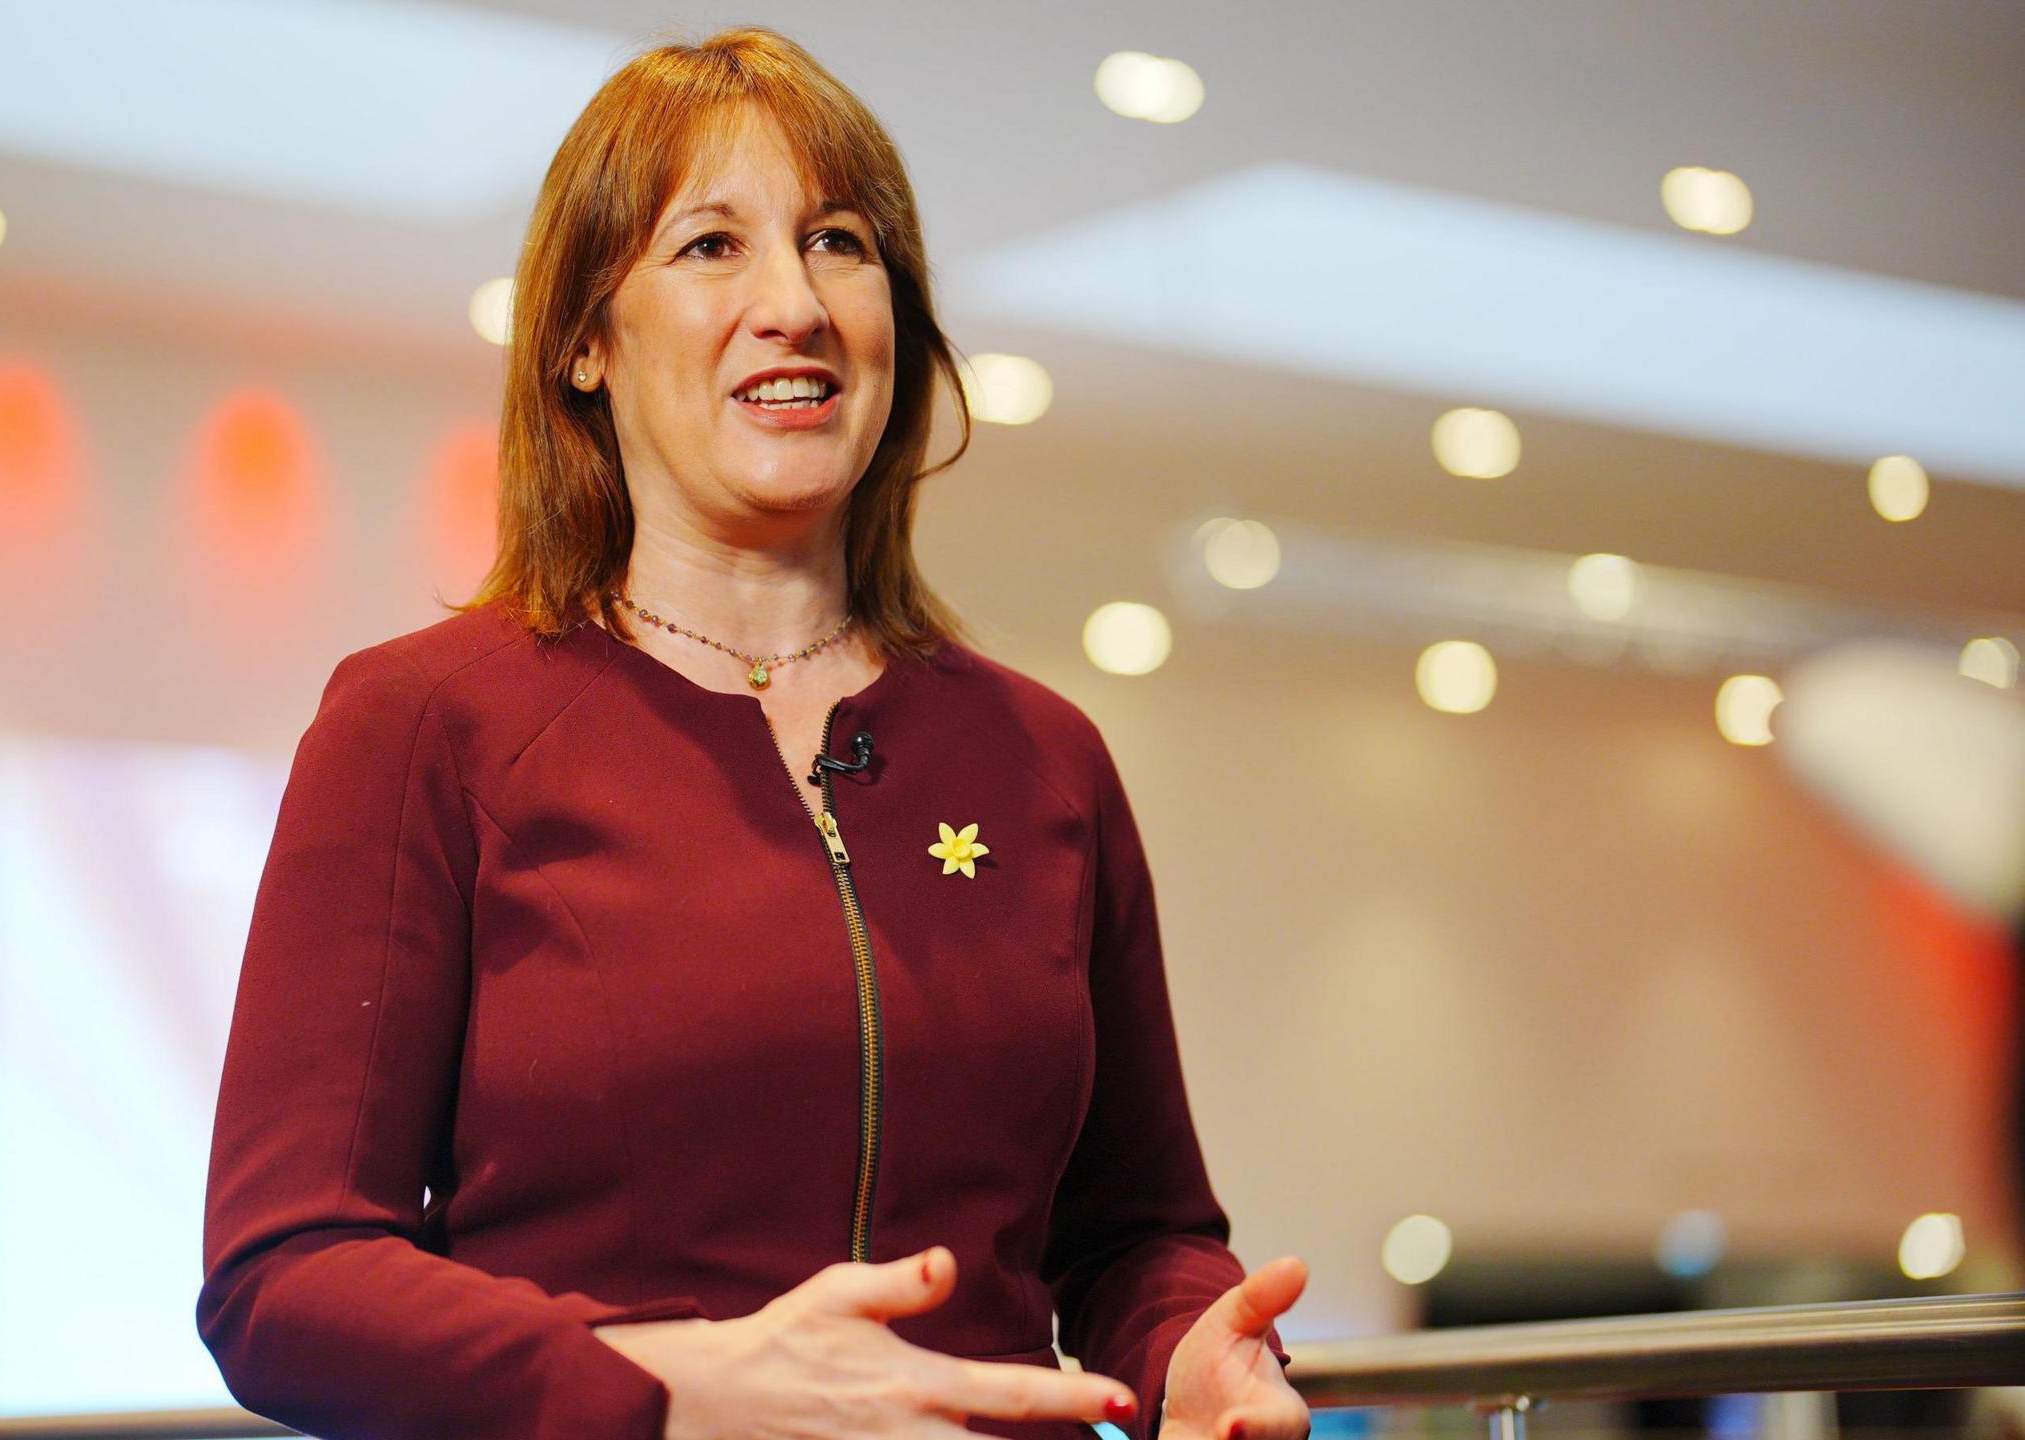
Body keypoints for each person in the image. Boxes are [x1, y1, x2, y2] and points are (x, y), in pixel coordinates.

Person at [196, 25, 1309, 1440]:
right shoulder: (426, 724)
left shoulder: (1048, 762)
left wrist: (1186, 1350)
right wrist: (663, 1389)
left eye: (839, 243)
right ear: (586, 344)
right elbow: (282, 1275)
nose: (795, 301)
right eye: (712, 247)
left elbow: (1133, 1238)